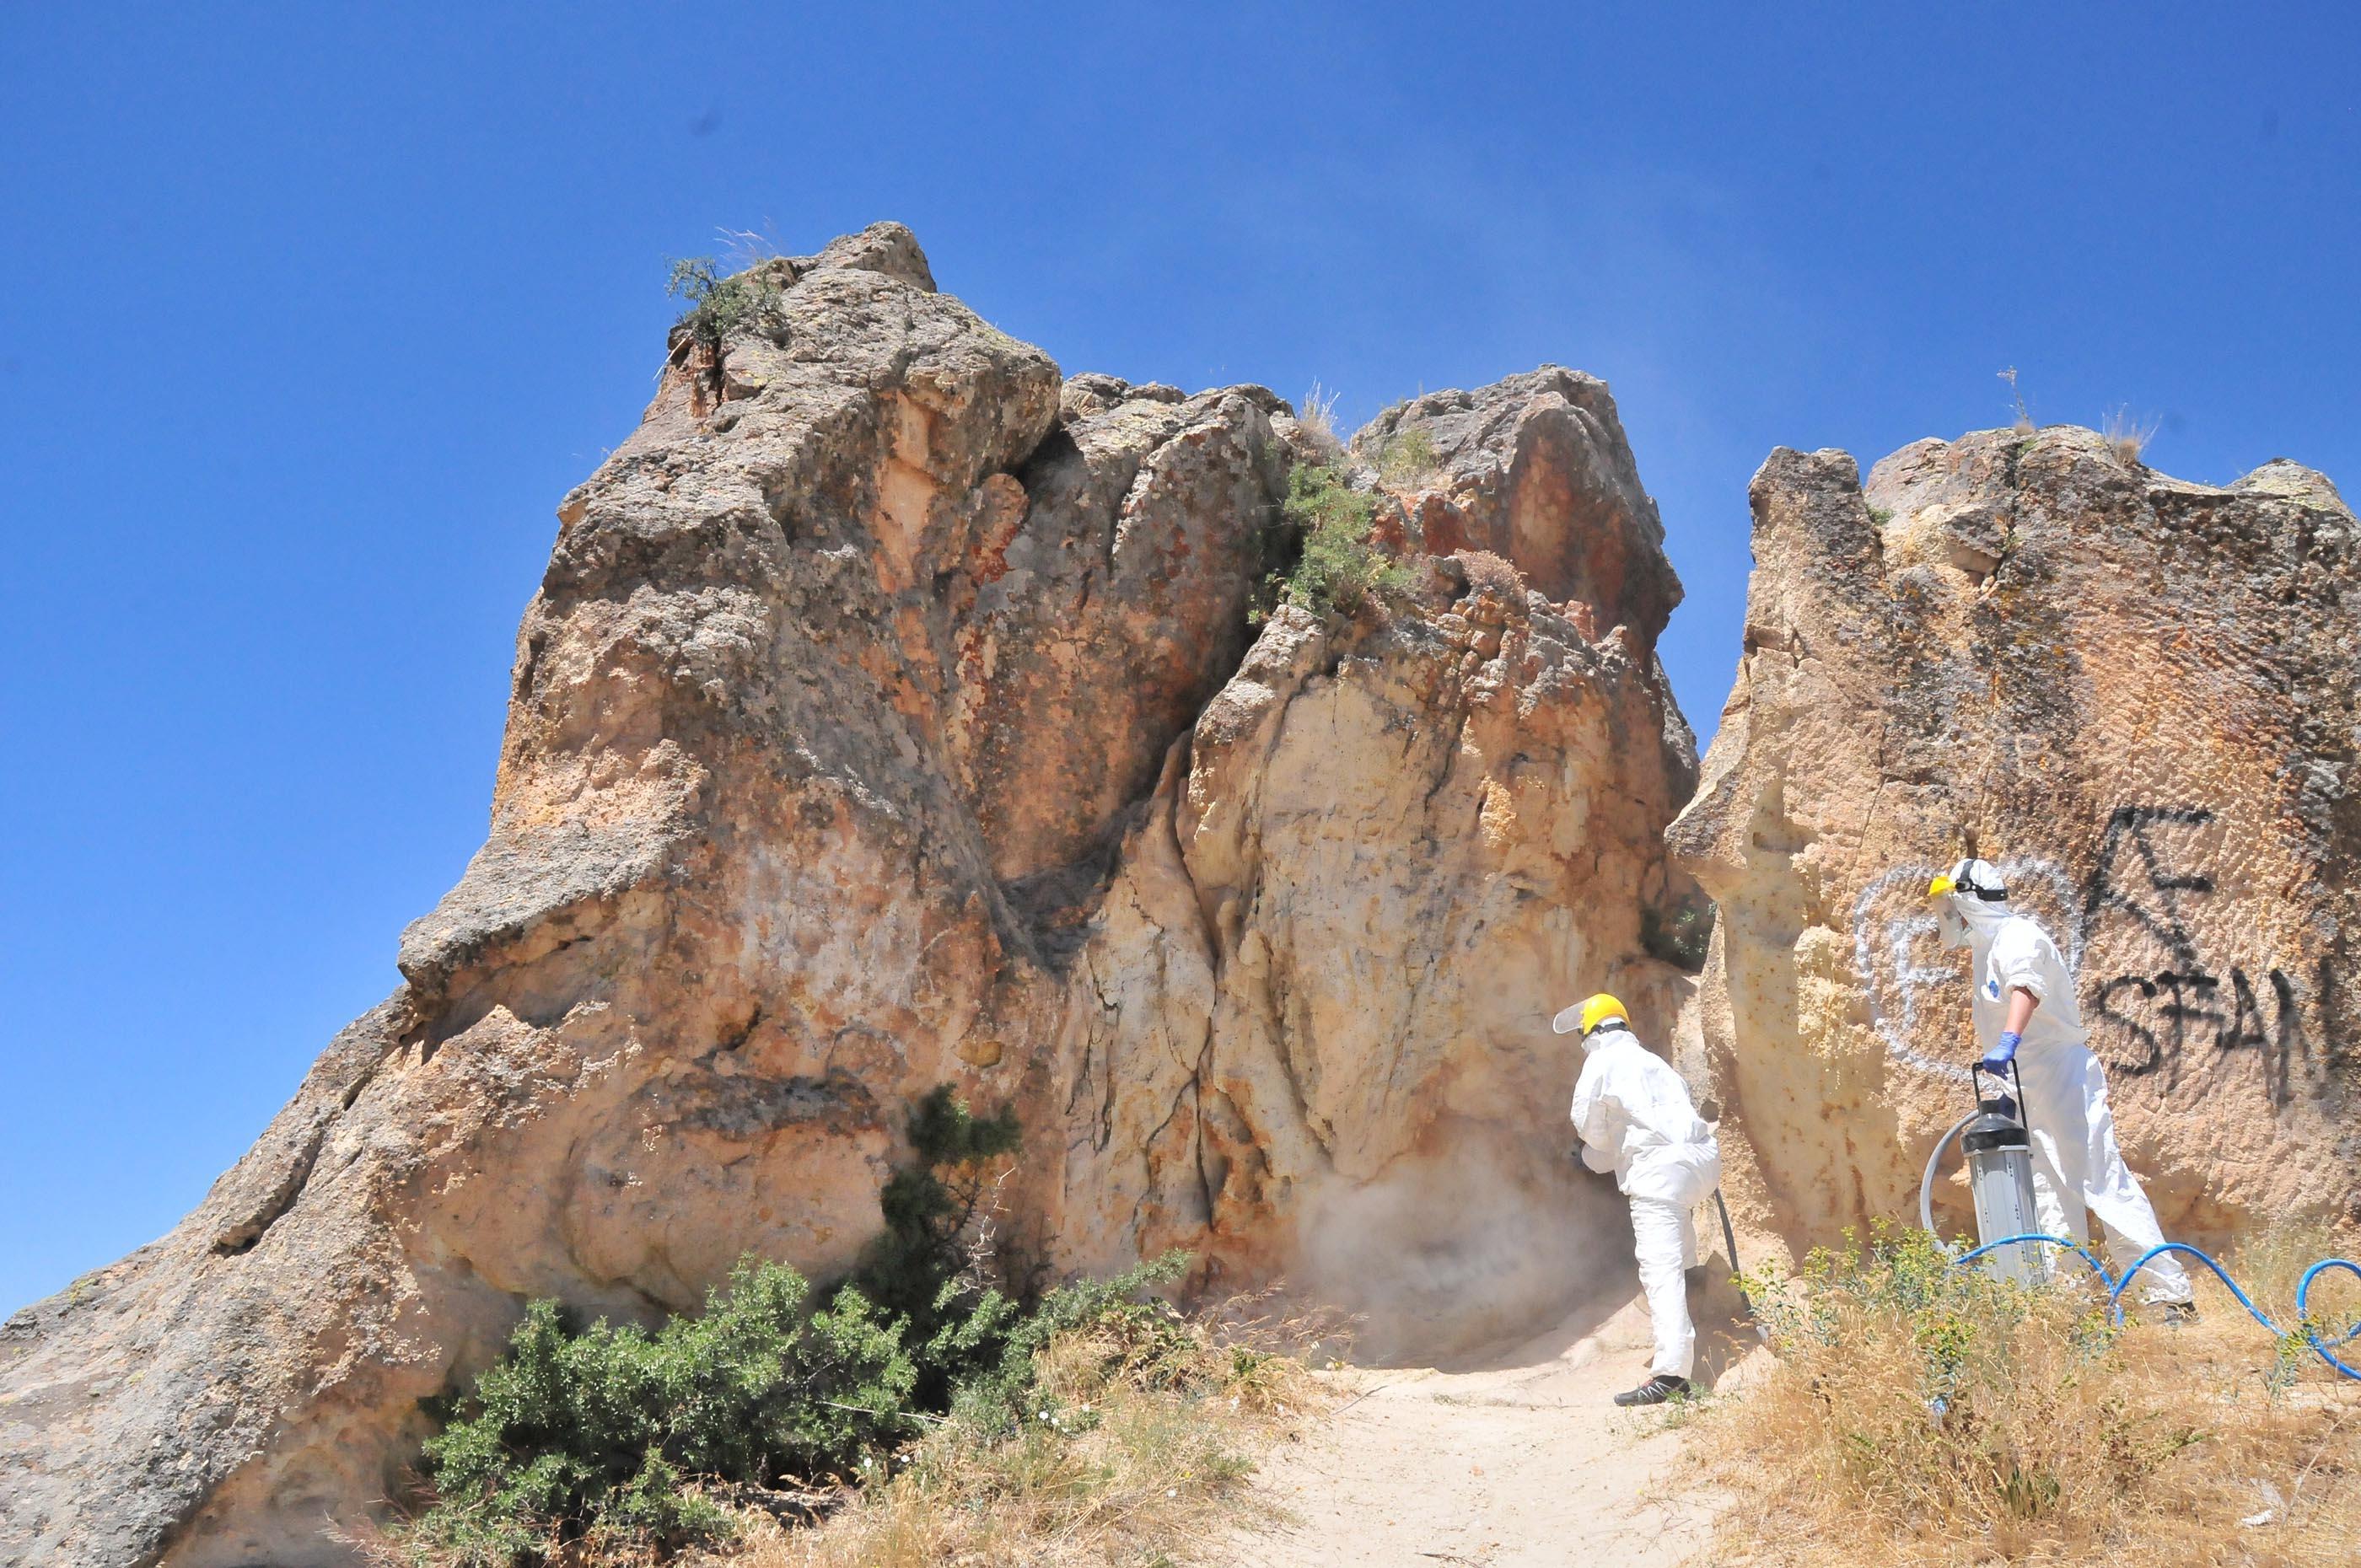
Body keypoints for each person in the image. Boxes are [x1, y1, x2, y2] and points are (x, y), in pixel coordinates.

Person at [1928, 857, 2196, 1316]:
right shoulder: (1986, 947)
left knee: (2099, 1178)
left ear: (1967, 902)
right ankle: (2069, 1301)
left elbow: (2026, 988)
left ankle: (2167, 1295)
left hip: (2061, 1074)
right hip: (2025, 1083)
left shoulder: (2018, 936)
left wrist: (2009, 1040)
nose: (1946, 917)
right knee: (2047, 1190)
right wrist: (2005, 1079)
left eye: (1949, 905)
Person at [1556, 992, 1723, 1406]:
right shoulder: (1654, 1062)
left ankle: (1671, 1374)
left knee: (1657, 1269)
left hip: (1660, 1172)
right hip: (1702, 1161)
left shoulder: (1600, 1060)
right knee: (1678, 1229)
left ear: (1591, 1031)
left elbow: (1586, 1124)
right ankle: (1694, 1285)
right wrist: (1607, 1151)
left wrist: (1592, 1149)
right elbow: (1656, 1123)